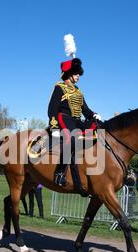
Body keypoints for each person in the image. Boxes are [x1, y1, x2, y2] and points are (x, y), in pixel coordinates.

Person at [48, 57, 102, 186]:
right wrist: (54, 126)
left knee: (99, 128)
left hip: (77, 121)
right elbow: (52, 108)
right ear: (69, 74)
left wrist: (94, 115)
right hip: (64, 118)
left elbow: (85, 110)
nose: (78, 76)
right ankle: (59, 173)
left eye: (78, 74)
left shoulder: (78, 91)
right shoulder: (59, 88)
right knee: (72, 139)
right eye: (76, 74)